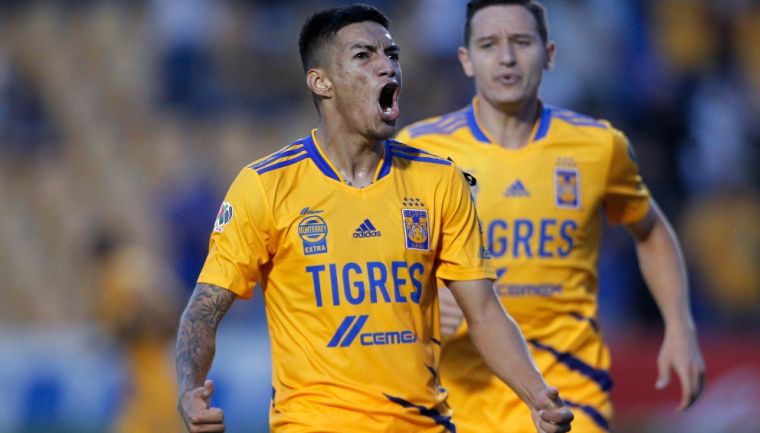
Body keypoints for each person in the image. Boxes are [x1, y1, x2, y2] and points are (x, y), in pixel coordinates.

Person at [175, 4, 573, 433]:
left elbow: (484, 313)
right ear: (321, 82)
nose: (388, 67)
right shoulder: (267, 186)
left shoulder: (439, 181)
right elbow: (203, 310)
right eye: (364, 56)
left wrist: (536, 395)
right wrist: (189, 388)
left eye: (393, 55)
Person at [396, 1, 706, 432]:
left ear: (550, 54)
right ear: (466, 60)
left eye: (521, 42)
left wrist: (679, 325)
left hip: (571, 390)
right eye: (488, 44)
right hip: (461, 400)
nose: (506, 57)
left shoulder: (597, 147)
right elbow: (383, 262)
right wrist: (423, 300)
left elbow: (650, 230)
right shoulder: (419, 151)